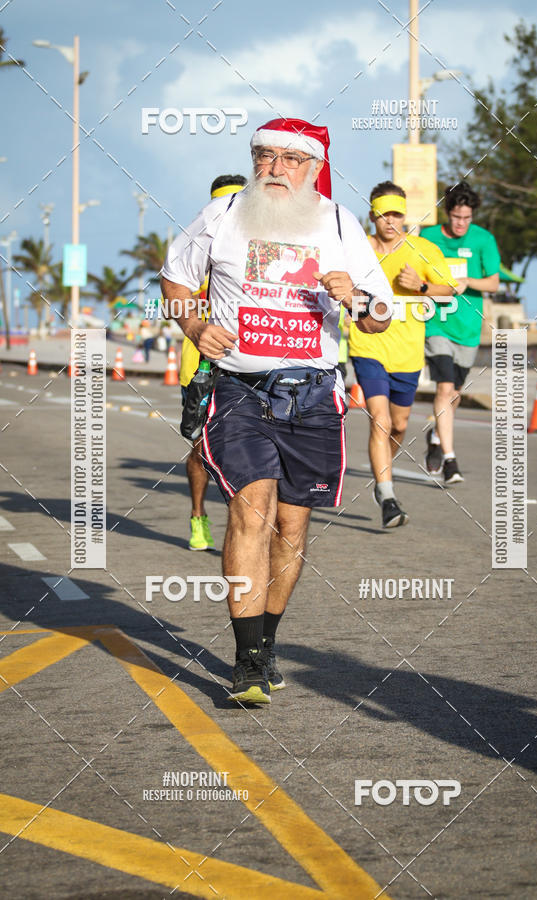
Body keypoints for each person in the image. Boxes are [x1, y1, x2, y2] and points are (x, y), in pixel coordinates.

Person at [161, 117, 392, 704]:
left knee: (292, 525)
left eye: (290, 160)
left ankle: (265, 643)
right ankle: (244, 662)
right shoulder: (223, 214)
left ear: (314, 169)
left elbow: (378, 315)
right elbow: (174, 279)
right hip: (240, 387)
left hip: (314, 391)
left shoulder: (339, 222)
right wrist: (192, 325)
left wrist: (359, 298)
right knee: (251, 511)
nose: (275, 169)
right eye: (265, 156)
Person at [348, 182, 459, 527]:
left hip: (408, 352)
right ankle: (388, 495)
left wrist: (422, 287)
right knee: (379, 419)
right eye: (384, 214)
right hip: (367, 343)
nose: (391, 221)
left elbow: (449, 289)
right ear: (373, 216)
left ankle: (384, 473)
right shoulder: (358, 249)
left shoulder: (422, 249)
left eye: (397, 214)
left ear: (404, 216)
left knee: (398, 425)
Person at [178, 175, 248, 551]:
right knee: (202, 450)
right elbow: (175, 295)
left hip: (247, 363)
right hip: (200, 365)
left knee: (246, 448)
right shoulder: (198, 243)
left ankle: (245, 525)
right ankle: (197, 514)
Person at [421, 181, 500, 485]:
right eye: (456, 217)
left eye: (467, 218)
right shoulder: (428, 237)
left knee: (453, 392)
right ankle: (451, 461)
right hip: (436, 323)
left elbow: (493, 283)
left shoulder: (484, 240)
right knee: (444, 389)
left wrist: (468, 281)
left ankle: (437, 436)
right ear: (448, 213)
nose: (461, 224)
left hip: (468, 328)